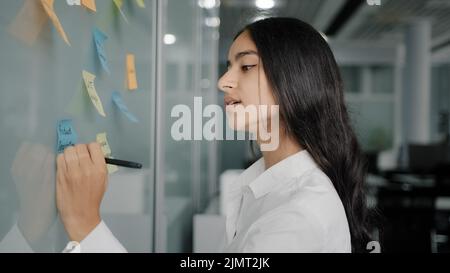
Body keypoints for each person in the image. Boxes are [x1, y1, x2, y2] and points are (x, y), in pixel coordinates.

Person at [56, 17, 371, 253]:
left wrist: (85, 224)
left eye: (246, 66)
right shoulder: (271, 188)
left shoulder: (296, 219)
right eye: (228, 66)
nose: (223, 81)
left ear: (295, 81)